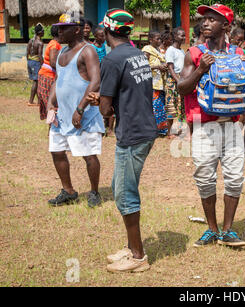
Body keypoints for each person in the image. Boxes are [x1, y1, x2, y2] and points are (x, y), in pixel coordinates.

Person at [87, 9, 157, 273]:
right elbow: (129, 91)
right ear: (127, 31)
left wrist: (100, 101)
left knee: (126, 194)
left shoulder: (113, 60)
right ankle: (131, 247)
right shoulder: (138, 54)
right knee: (119, 186)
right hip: (144, 128)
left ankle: (138, 256)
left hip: (132, 133)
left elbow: (105, 110)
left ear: (105, 32)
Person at [178, 3, 245, 247]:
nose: (205, 23)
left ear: (226, 25)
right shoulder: (195, 53)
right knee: (205, 177)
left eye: (212, 19)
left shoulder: (238, 54)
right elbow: (182, 88)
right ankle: (211, 229)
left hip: (231, 126)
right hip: (204, 126)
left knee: (234, 178)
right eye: (204, 19)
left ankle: (228, 230)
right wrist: (200, 70)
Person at [46, 13, 104, 208]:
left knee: (89, 155)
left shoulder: (88, 51)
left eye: (64, 28)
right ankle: (68, 191)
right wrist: (50, 103)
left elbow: (95, 81)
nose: (59, 31)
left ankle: (94, 192)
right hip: (62, 116)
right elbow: (57, 80)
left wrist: (80, 109)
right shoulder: (62, 52)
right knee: (56, 151)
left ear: (76, 30)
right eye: (59, 28)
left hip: (83, 115)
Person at [143, 30, 169, 136]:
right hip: (152, 83)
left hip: (160, 83)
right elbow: (143, 66)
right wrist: (157, 66)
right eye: (157, 39)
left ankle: (161, 129)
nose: (159, 40)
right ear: (150, 40)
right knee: (155, 107)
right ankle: (153, 129)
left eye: (160, 38)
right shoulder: (147, 50)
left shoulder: (158, 50)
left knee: (160, 107)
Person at [91, 26, 113, 136]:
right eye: (101, 36)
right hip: (96, 76)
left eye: (104, 35)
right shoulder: (91, 48)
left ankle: (108, 127)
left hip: (104, 74)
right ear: (95, 36)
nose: (104, 38)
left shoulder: (103, 46)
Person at [37, 25, 62, 120]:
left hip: (47, 74)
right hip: (49, 76)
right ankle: (52, 127)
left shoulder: (53, 43)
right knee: (52, 102)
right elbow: (53, 62)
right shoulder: (55, 45)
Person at [165, 27, 186, 138]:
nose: (184, 37)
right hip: (173, 81)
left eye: (184, 35)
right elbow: (170, 68)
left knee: (180, 105)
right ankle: (169, 132)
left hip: (180, 80)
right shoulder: (170, 50)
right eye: (181, 35)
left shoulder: (181, 51)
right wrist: (178, 81)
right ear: (174, 36)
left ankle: (178, 130)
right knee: (171, 106)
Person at [27, 24, 45, 107]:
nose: (44, 32)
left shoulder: (31, 40)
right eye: (43, 31)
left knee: (36, 81)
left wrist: (29, 62)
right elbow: (40, 55)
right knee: (36, 81)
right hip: (36, 63)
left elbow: (27, 52)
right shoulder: (40, 43)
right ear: (40, 32)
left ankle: (38, 101)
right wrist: (43, 64)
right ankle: (31, 101)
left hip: (30, 61)